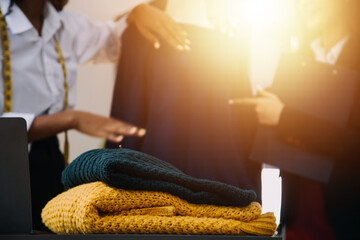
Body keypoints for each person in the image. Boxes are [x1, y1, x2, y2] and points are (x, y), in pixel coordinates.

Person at [0, 0, 190, 231]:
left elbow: (113, 38)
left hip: (48, 158)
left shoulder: (64, 24)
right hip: (6, 164)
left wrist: (138, 12)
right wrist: (74, 119)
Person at [230, 0, 360, 239]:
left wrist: (284, 117)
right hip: (297, 218)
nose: (304, 4)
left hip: (348, 219)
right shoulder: (297, 59)